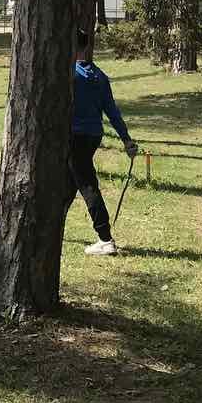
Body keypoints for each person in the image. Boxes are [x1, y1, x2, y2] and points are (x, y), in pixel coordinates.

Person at [70, 28, 138, 256]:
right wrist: (126, 140)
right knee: (71, 180)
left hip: (75, 137)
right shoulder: (99, 75)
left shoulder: (70, 74)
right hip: (93, 135)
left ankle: (105, 239)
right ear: (87, 46)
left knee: (87, 184)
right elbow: (112, 111)